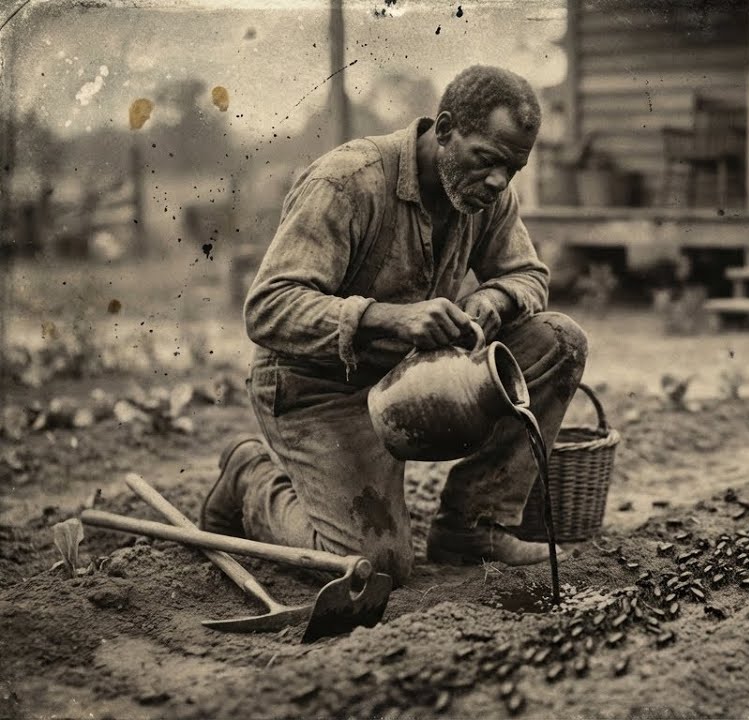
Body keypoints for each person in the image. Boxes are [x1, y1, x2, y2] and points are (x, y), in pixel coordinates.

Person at [201, 66, 588, 586]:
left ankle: (475, 525)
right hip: (316, 387)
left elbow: (528, 275)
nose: (499, 181)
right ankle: (249, 480)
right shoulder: (347, 182)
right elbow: (268, 307)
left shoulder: (487, 196)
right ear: (446, 129)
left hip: (406, 381)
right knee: (373, 566)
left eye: (513, 169)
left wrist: (495, 298)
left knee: (557, 340)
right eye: (488, 160)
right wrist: (387, 318)